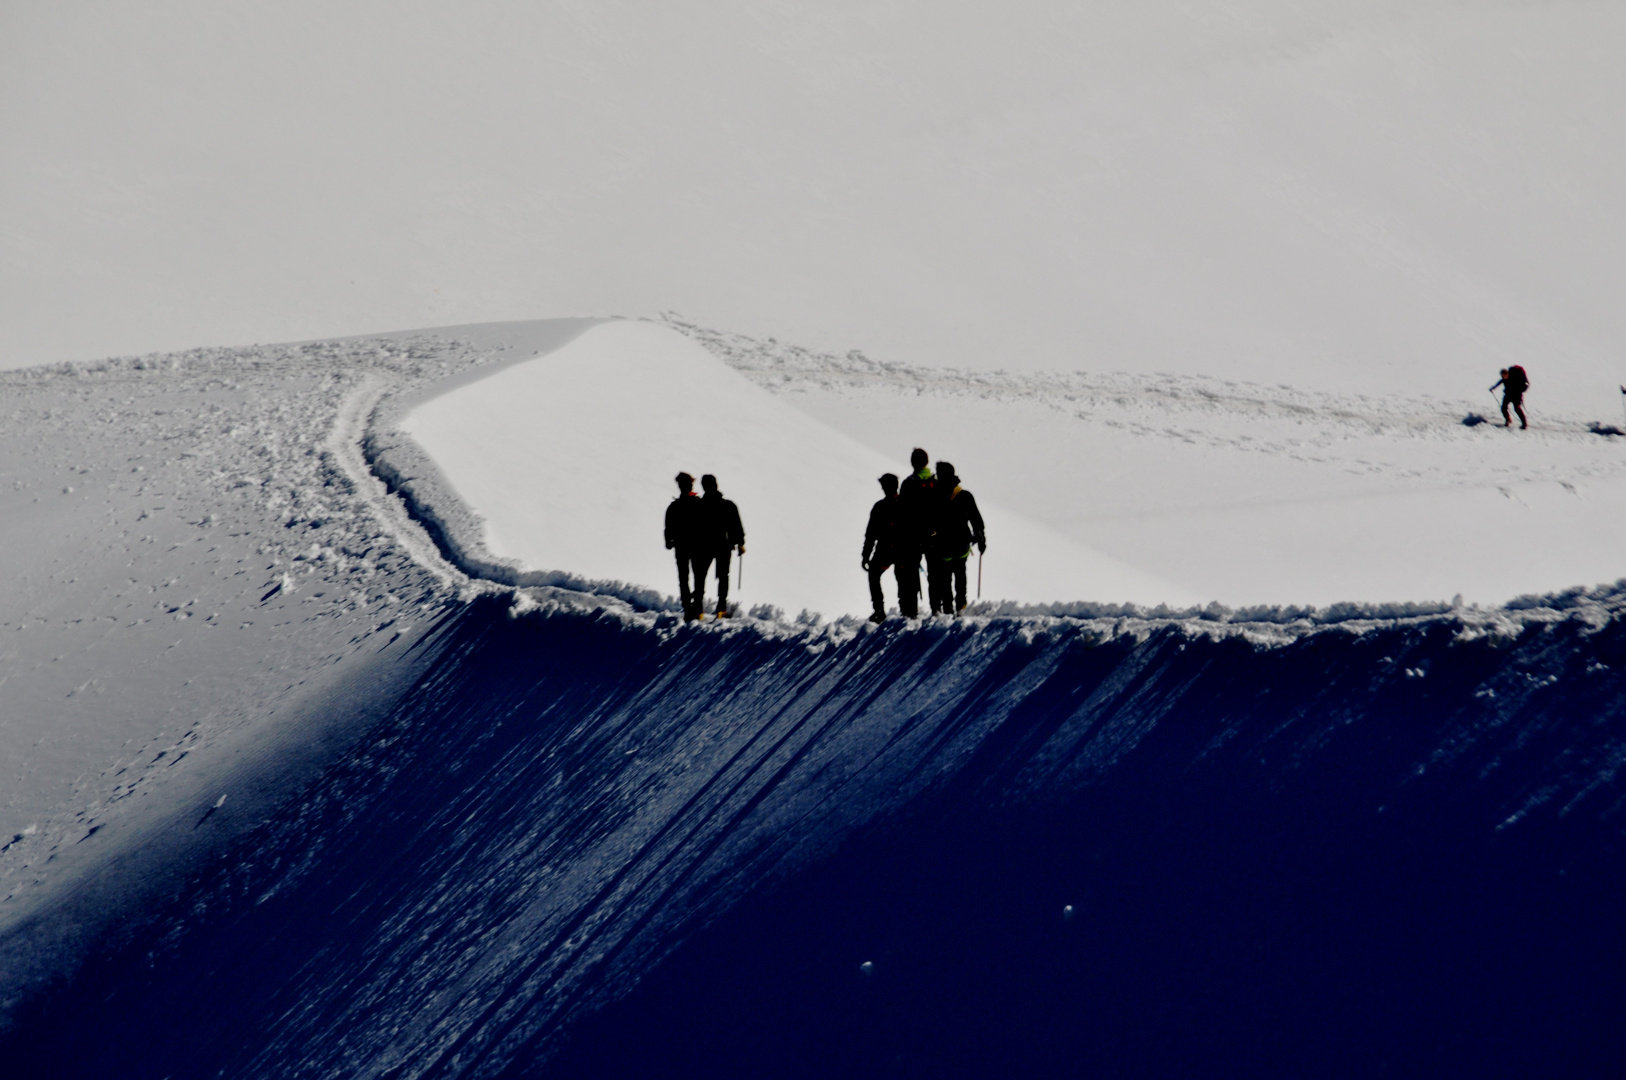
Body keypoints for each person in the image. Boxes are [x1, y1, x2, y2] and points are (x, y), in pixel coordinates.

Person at [929, 461, 985, 615]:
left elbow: (930, 520)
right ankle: (961, 604)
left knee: (945, 577)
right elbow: (976, 519)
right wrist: (981, 538)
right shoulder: (965, 495)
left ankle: (948, 607)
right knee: (960, 573)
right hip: (962, 542)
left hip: (943, 544)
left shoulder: (936, 495)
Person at [894, 449, 936, 618]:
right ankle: (937, 609)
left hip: (912, 536)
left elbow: (901, 512)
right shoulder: (936, 482)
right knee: (935, 573)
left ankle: (910, 611)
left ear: (913, 463)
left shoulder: (908, 483)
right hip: (934, 535)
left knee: (909, 574)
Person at [696, 474, 745, 618]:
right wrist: (740, 543)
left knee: (700, 576)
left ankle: (699, 609)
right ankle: (721, 609)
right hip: (724, 546)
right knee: (723, 576)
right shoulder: (728, 505)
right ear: (716, 485)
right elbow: (737, 526)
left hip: (704, 545)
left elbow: (694, 527)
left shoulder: (699, 505)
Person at [664, 472, 705, 621]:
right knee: (698, 577)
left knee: (684, 577)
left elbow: (668, 528)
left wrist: (669, 541)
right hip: (698, 546)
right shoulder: (700, 504)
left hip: (681, 546)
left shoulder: (674, 507)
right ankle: (698, 608)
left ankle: (688, 608)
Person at [861, 473, 902, 623]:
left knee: (873, 575)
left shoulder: (880, 507)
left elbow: (870, 534)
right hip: (902, 550)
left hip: (885, 550)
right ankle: (907, 611)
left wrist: (866, 556)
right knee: (903, 579)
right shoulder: (905, 504)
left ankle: (879, 611)